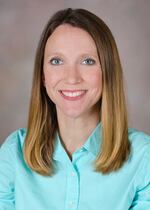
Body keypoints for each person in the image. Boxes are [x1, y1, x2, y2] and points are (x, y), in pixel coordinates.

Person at [0, 8, 150, 210]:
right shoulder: (13, 153)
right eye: (57, 61)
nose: (72, 77)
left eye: (88, 61)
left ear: (108, 72)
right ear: (43, 76)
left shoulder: (143, 158)